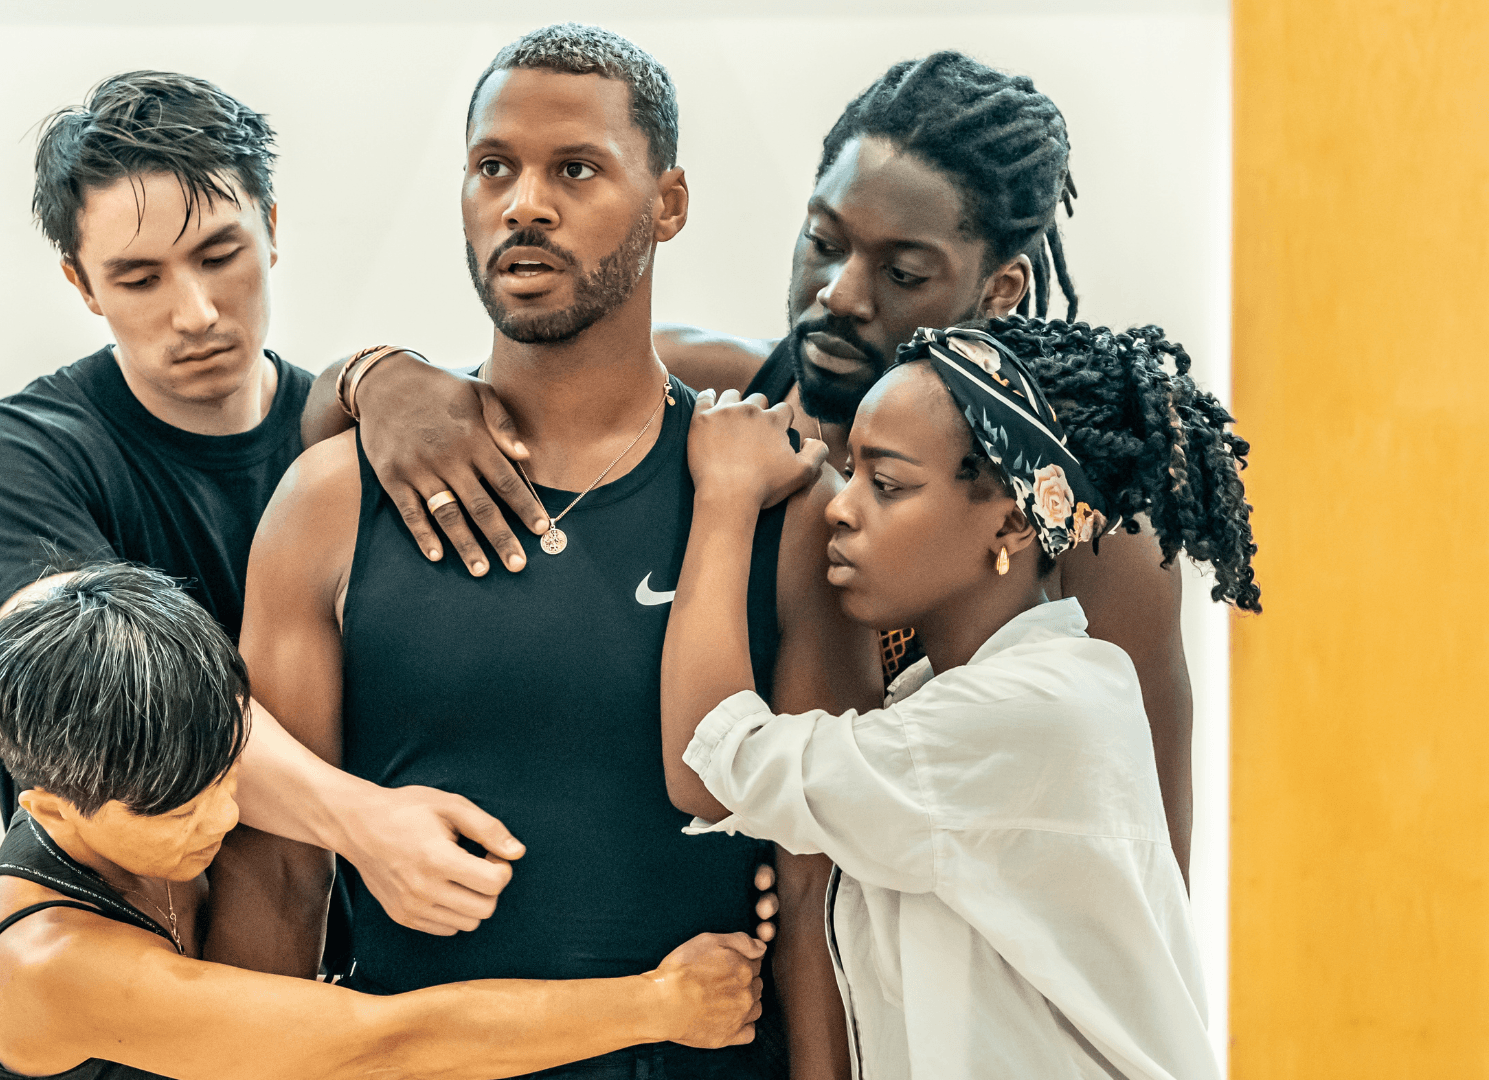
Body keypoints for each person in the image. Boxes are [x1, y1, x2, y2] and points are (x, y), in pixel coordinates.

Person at [346, 51, 1202, 879]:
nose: (841, 292)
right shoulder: (700, 390)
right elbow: (409, 413)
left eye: (903, 272)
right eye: (824, 240)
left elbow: (1147, 861)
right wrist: (377, 376)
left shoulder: (1087, 524)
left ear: (1001, 290)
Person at [239, 24, 870, 1079]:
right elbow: (278, 875)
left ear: (668, 203)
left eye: (576, 169)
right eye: (494, 167)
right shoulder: (331, 504)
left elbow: (818, 893)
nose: (524, 204)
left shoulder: (781, 509)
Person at [0, 70, 535, 975]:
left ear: (273, 230)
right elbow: (111, 697)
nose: (197, 313)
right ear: (82, 284)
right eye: (138, 278)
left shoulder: (355, 448)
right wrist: (361, 822)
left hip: (354, 972)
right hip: (113, 975)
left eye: (220, 255)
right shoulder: (14, 456)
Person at [657, 318, 1255, 1078]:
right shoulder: (992, 692)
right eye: (850, 471)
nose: (840, 506)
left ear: (1011, 521)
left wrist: (726, 496)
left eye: (886, 485)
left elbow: (710, 760)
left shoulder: (1026, 714)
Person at [0, 562, 766, 1080]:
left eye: (226, 773)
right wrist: (662, 1003)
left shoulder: (150, 754)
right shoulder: (48, 967)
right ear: (47, 805)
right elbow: (385, 1043)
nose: (225, 814)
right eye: (178, 810)